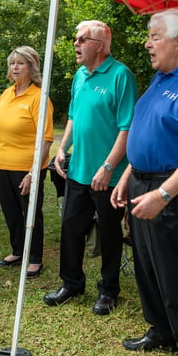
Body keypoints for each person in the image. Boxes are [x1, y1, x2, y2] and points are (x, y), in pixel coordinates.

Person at [111, 9, 178, 356]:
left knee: (172, 269)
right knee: (145, 263)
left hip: (169, 187)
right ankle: (160, 330)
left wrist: (163, 194)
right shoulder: (162, 76)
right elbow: (147, 131)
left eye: (155, 36)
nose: (148, 43)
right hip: (142, 183)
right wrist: (128, 175)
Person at [43, 20, 138, 315]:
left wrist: (109, 167)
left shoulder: (121, 75)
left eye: (82, 39)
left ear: (100, 44)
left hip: (108, 176)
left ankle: (108, 290)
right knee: (71, 227)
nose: (75, 43)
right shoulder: (80, 75)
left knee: (109, 233)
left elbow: (127, 127)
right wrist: (62, 148)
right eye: (76, 39)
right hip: (79, 171)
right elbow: (73, 116)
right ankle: (71, 283)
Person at [0, 46, 54, 279]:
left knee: (30, 213)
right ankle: (18, 251)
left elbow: (46, 140)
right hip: (3, 165)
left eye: (20, 63)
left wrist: (33, 173)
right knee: (11, 211)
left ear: (32, 67)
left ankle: (34, 258)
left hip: (26, 168)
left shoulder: (39, 97)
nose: (15, 67)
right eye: (12, 63)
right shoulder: (6, 94)